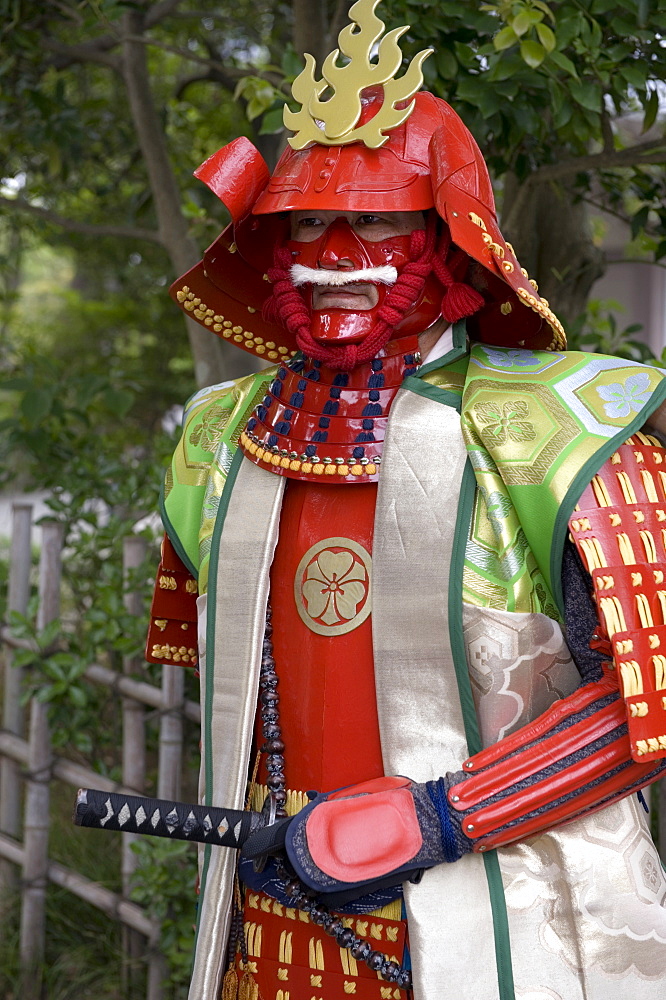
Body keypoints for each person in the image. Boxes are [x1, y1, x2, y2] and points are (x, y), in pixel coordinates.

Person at [145, 2, 666, 997]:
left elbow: (653, 695)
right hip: (274, 911)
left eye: (377, 219)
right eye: (307, 223)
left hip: (519, 919)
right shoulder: (218, 438)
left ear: (449, 241)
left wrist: (443, 816)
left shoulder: (560, 431)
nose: (335, 253)